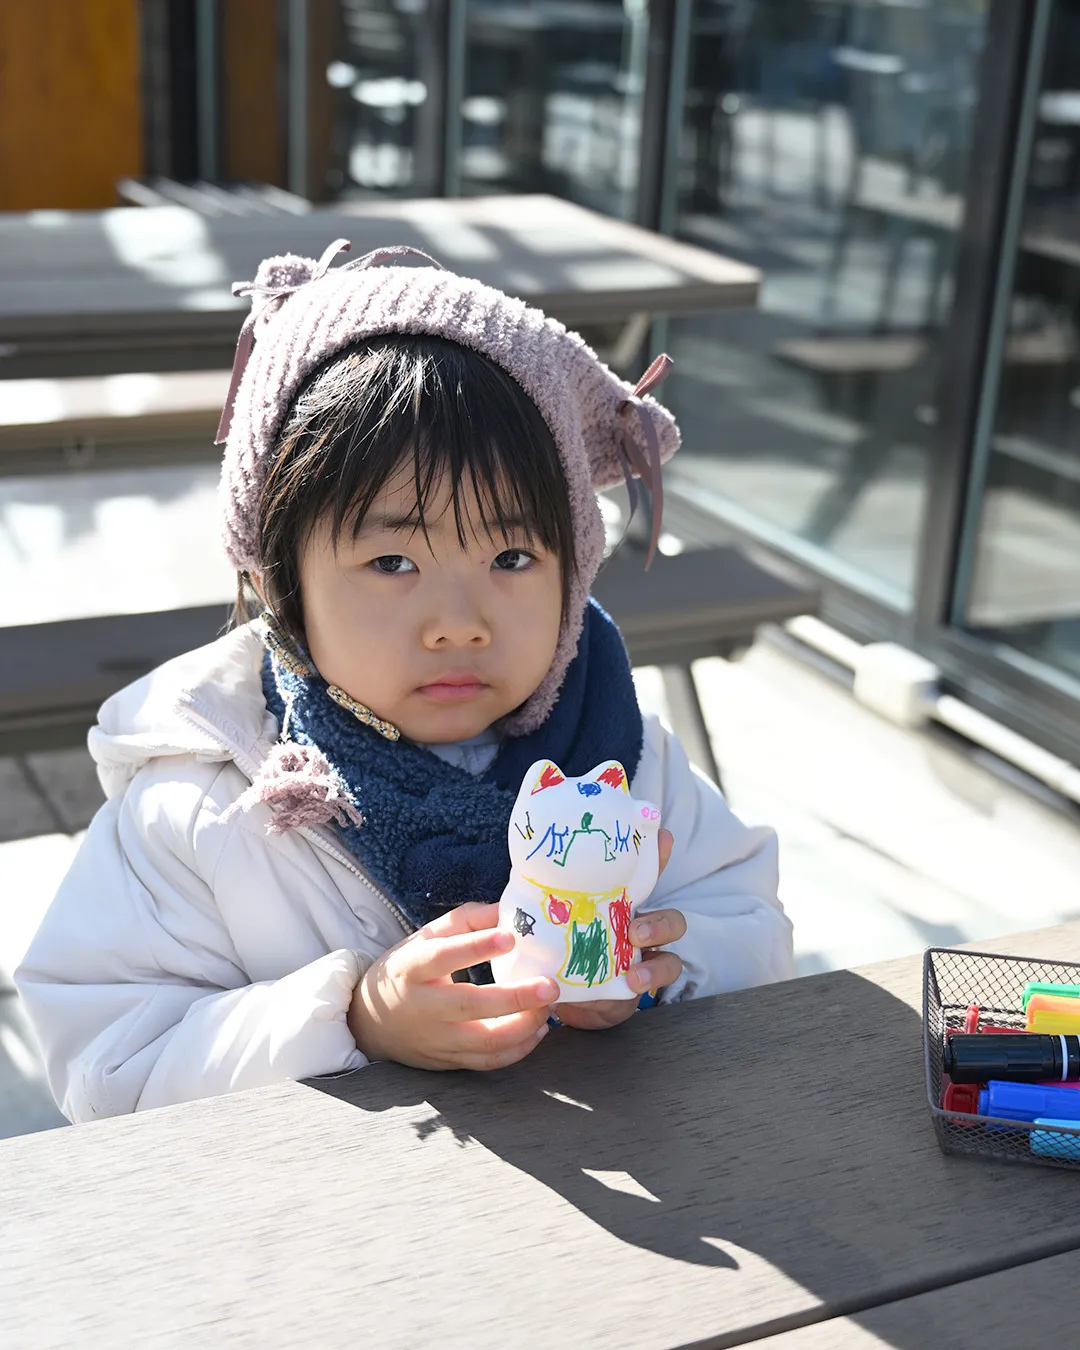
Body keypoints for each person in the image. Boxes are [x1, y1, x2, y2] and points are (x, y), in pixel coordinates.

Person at [16, 242, 794, 1122]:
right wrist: (355, 1015)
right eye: (393, 560)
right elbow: (107, 1065)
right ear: (281, 583)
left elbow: (753, 924)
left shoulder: (621, 757)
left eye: (511, 555)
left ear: (573, 571)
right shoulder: (208, 804)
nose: (459, 621)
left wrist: (660, 972)